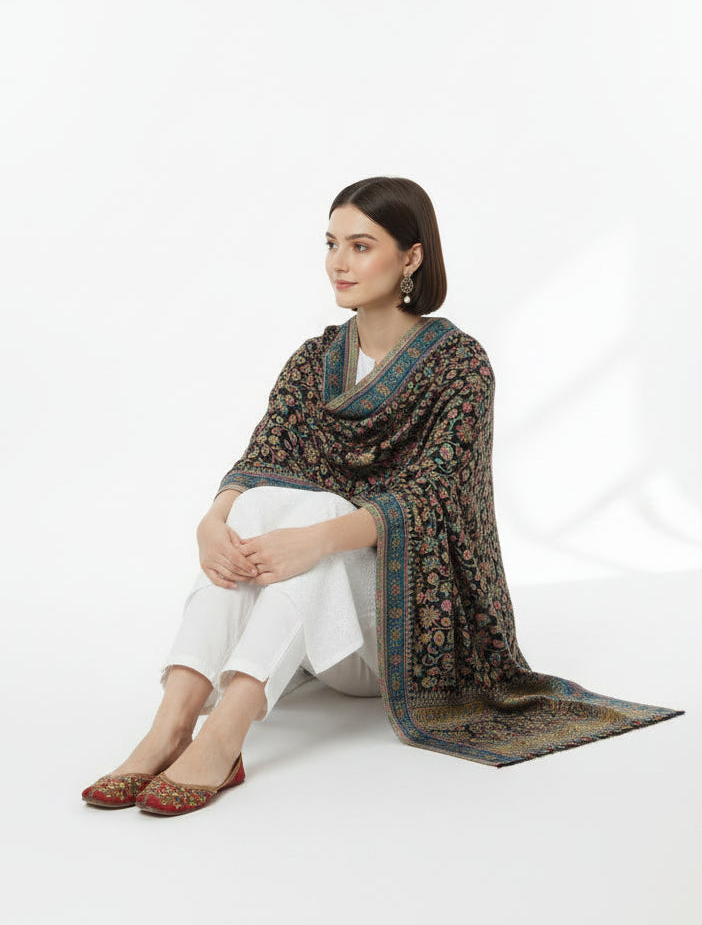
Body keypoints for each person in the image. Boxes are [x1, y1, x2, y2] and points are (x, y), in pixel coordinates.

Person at [82, 176, 682, 816]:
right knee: (254, 503)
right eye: (332, 243)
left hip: (402, 638)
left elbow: (438, 492)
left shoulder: (459, 364)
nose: (338, 263)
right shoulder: (313, 361)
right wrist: (212, 521)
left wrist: (317, 538)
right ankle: (172, 722)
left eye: (361, 246)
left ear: (412, 256)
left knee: (319, 513)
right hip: (319, 636)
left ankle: (225, 731)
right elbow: (262, 458)